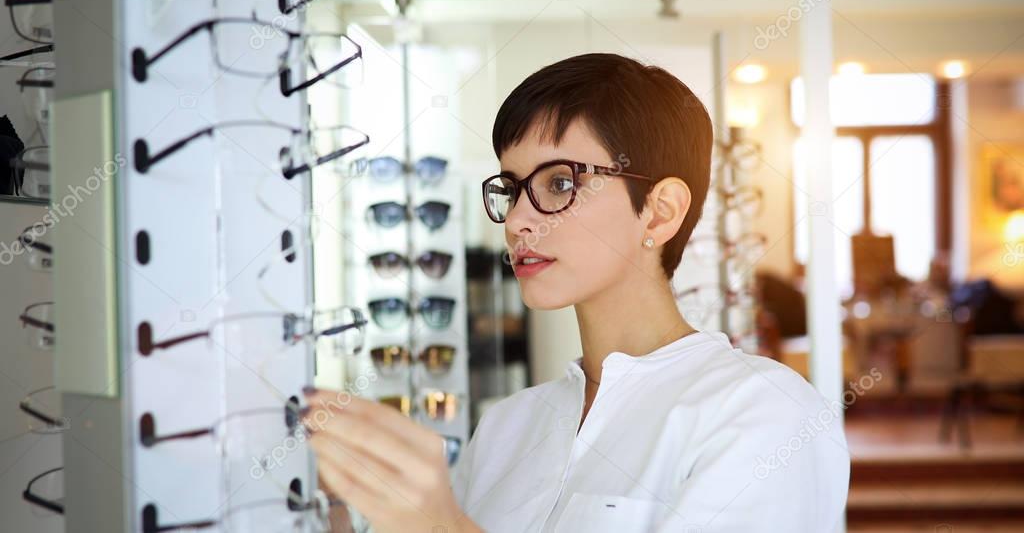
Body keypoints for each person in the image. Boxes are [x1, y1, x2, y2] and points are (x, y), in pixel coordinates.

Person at [302, 52, 850, 533]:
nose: (517, 220)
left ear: (660, 211)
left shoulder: (765, 415)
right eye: (512, 189)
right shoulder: (507, 425)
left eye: (559, 183)